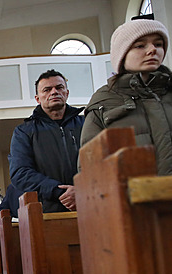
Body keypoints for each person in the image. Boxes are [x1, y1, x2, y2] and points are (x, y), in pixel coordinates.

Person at [81, 18, 172, 175]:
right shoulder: (103, 100)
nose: (152, 50)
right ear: (122, 55)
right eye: (140, 45)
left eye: (158, 44)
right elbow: (91, 166)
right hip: (136, 196)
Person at [9, 69, 83, 212]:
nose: (54, 92)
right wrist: (59, 192)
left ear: (67, 93)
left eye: (59, 87)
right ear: (38, 98)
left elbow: (103, 162)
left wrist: (82, 190)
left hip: (90, 203)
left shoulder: (86, 124)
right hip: (49, 210)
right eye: (47, 90)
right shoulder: (24, 131)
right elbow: (20, 173)